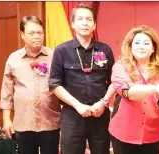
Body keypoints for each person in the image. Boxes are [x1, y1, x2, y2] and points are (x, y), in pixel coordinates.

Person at [48, 4, 115, 154]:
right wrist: (78, 105)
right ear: (73, 23)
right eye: (80, 19)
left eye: (89, 19)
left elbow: (114, 81)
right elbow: (54, 84)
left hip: (100, 113)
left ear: (94, 25)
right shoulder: (62, 50)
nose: (85, 23)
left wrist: (103, 103)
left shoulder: (105, 50)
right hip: (72, 115)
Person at [109, 25, 159, 154]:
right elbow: (128, 93)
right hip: (124, 132)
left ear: (153, 48)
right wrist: (157, 88)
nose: (141, 46)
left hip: (152, 133)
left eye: (146, 43)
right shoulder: (120, 66)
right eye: (137, 43)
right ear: (130, 47)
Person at [0, 16, 60, 154]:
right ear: (22, 34)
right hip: (23, 123)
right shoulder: (13, 59)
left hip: (50, 122)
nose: (37, 36)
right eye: (31, 33)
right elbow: (6, 92)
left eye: (40, 33)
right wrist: (6, 120)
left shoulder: (54, 56)